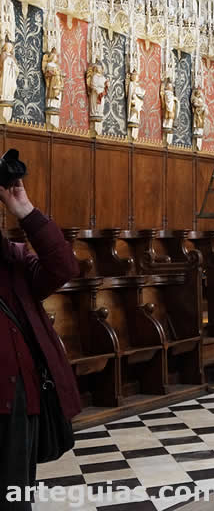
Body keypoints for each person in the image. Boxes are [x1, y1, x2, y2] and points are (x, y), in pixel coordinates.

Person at [0, 170, 81, 507]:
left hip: (19, 401)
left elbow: (64, 269)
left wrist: (26, 211)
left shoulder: (13, 258)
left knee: (15, 498)